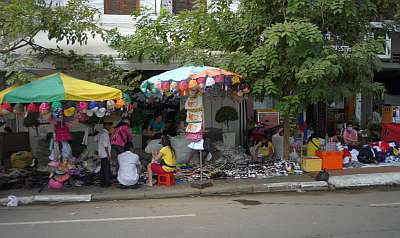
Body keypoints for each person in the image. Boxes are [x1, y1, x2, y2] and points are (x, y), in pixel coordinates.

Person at [98, 120, 113, 187]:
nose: (110, 126)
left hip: (102, 154)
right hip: (105, 154)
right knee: (106, 169)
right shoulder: (105, 134)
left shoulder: (101, 133)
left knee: (103, 169)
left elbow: (95, 139)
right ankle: (107, 183)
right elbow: (106, 145)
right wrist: (108, 155)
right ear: (105, 125)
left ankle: (102, 183)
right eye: (109, 125)